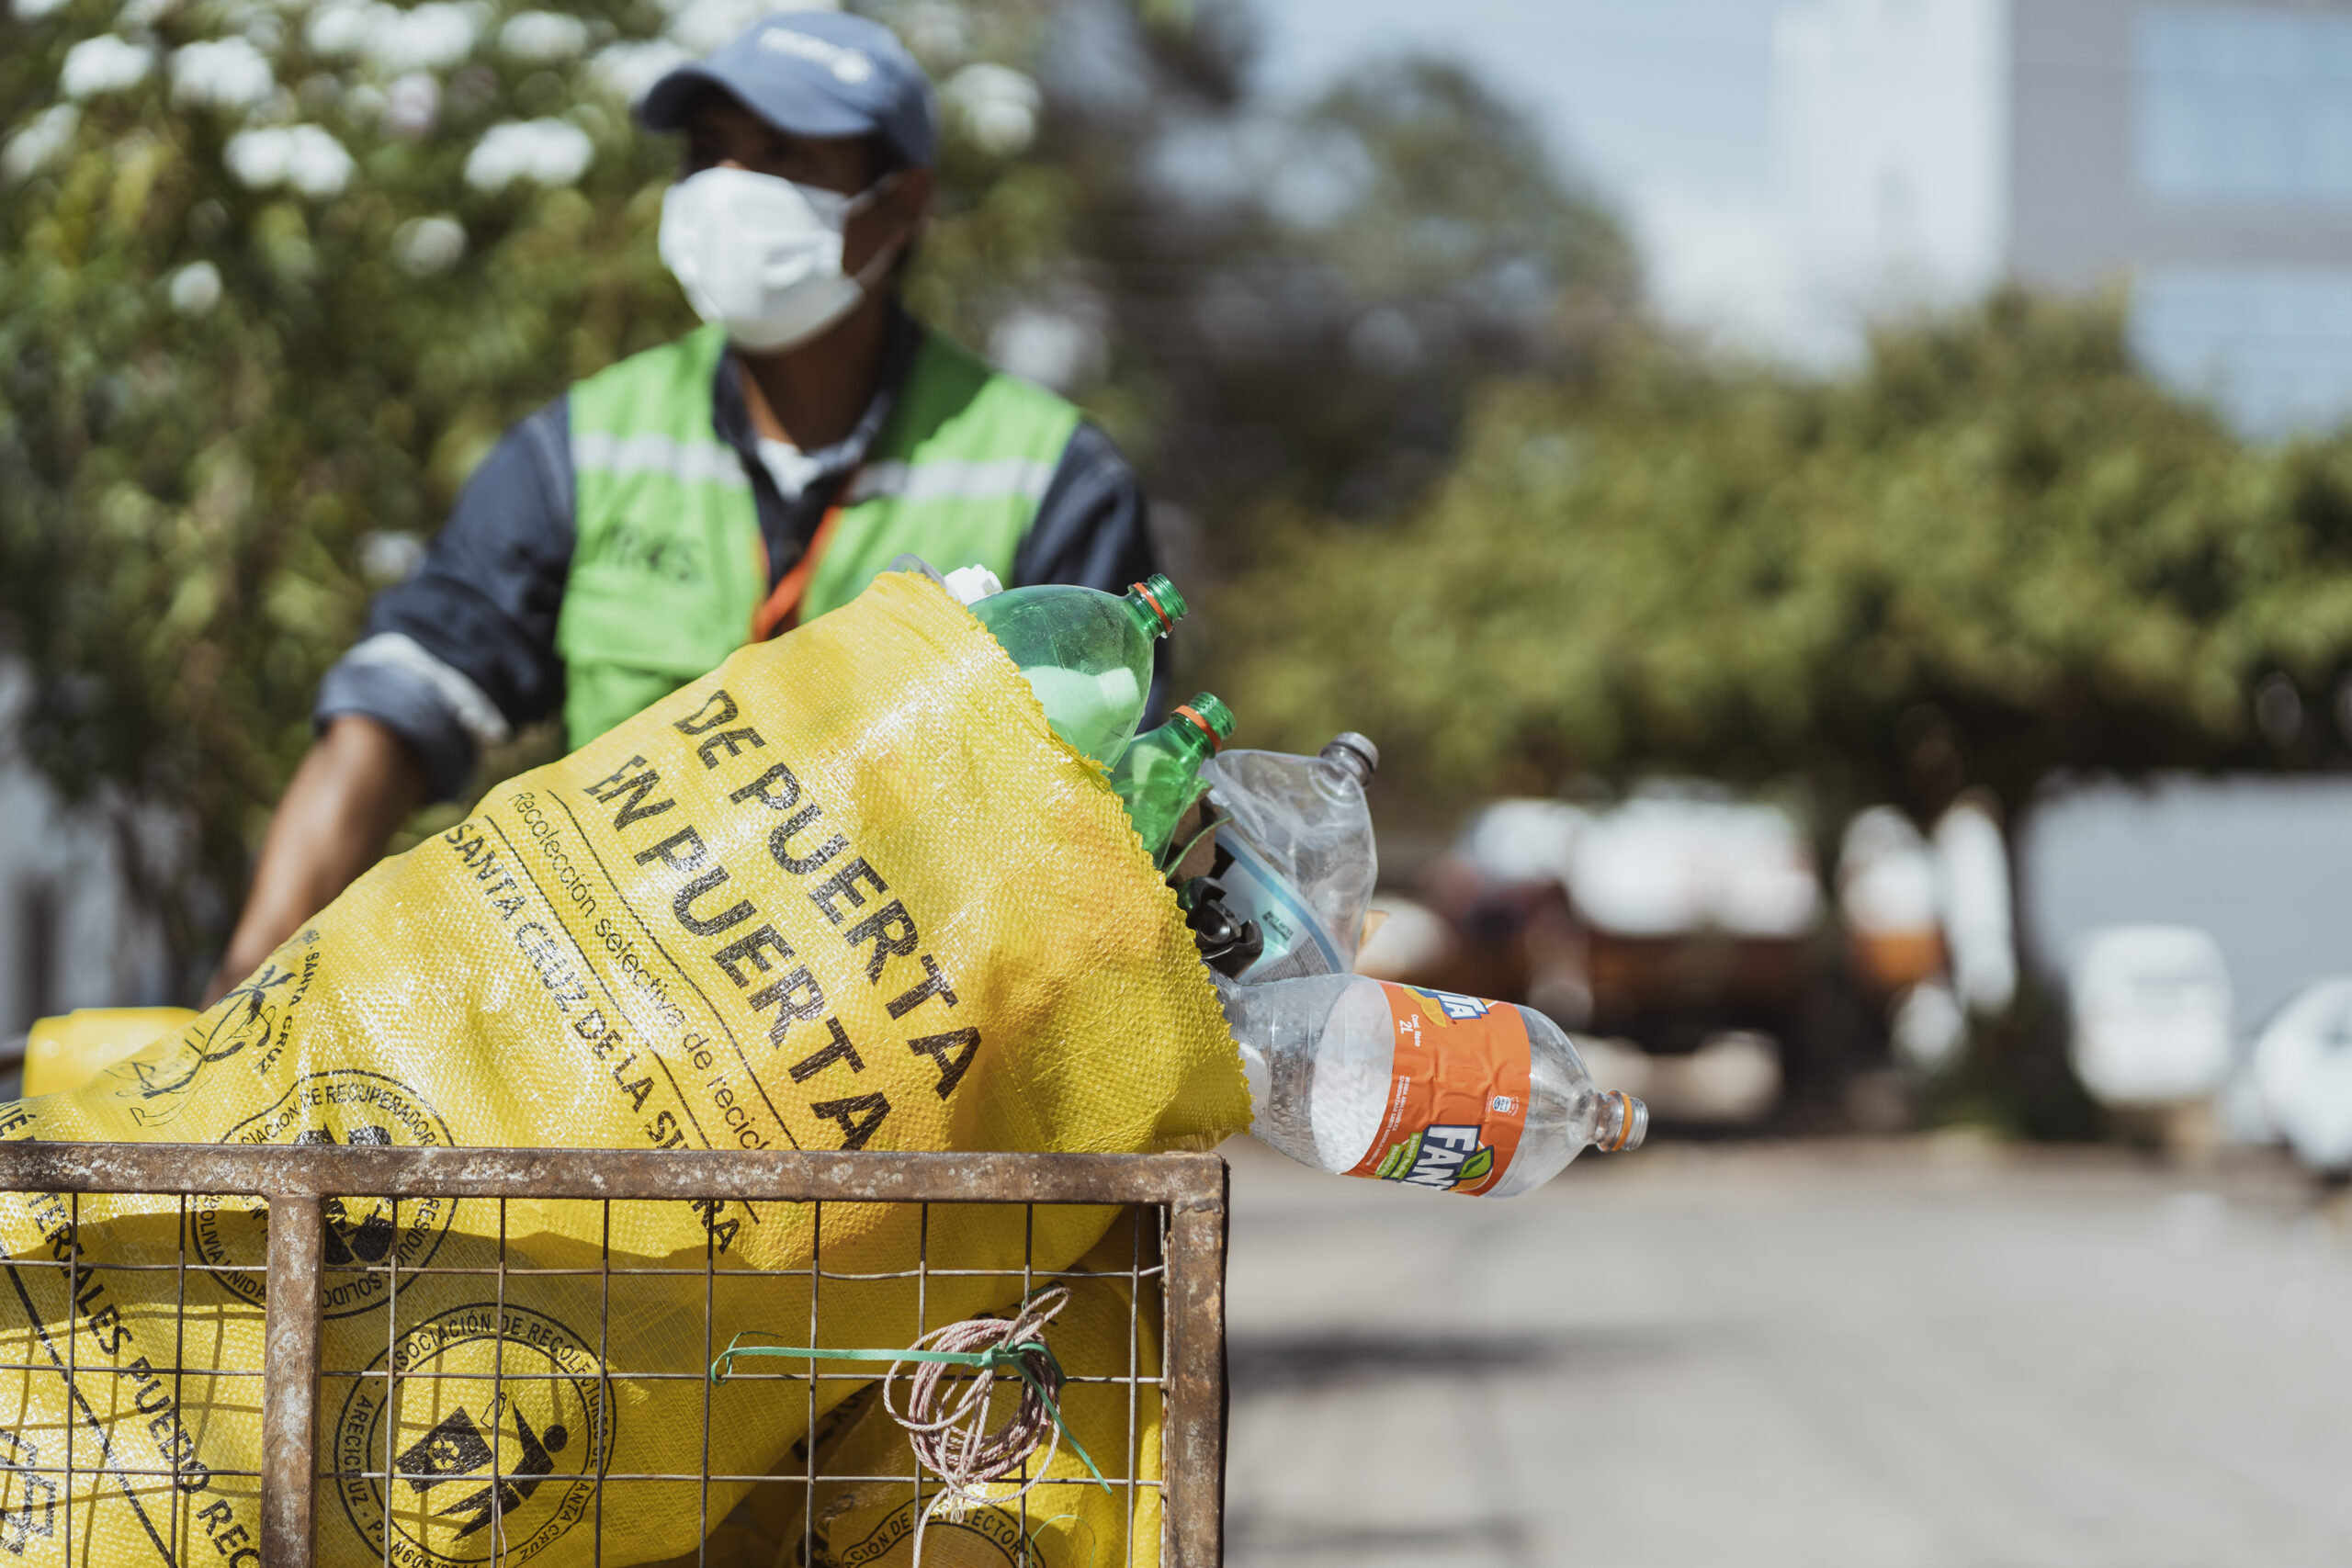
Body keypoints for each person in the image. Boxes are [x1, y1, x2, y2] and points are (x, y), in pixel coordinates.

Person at [204, 12, 1158, 1002]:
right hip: (607, 1022)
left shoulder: (1047, 474)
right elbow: (398, 708)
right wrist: (240, 986)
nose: (731, 191)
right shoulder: (589, 444)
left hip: (902, 1040)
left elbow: (1096, 832)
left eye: (785, 155)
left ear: (898, 208)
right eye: (708, 153)